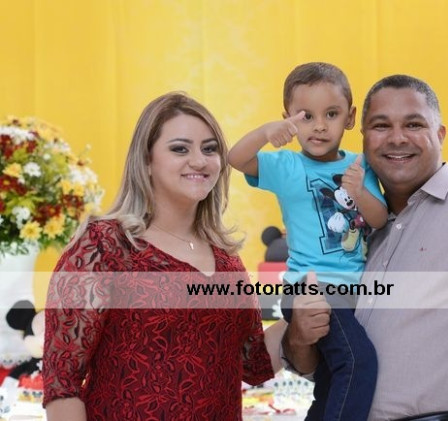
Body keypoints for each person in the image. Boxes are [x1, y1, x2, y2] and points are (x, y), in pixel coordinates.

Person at [283, 74, 448, 420]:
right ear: (363, 138)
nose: (397, 138)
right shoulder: (352, 222)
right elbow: (312, 363)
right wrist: (299, 337)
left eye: (413, 124)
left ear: (440, 134)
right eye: (381, 126)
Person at [42, 91, 286, 421]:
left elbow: (254, 364)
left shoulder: (227, 259)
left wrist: (301, 315)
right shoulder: (103, 246)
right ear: (146, 161)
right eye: (180, 149)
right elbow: (63, 386)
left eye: (210, 149)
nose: (199, 161)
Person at [228, 62, 389, 420]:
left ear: (350, 117)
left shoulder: (360, 165)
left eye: (331, 114)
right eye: (306, 116)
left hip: (355, 295)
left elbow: (379, 218)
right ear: (288, 118)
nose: (319, 125)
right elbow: (235, 158)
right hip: (311, 289)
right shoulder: (287, 166)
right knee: (359, 363)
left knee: (332, 382)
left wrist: (359, 192)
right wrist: (266, 132)